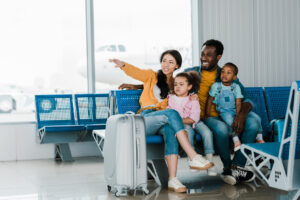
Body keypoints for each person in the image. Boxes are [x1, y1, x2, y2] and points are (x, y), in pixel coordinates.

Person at [109, 49, 213, 193]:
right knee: (172, 113)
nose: (166, 64)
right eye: (164, 61)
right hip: (145, 119)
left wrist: (192, 96)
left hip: (162, 119)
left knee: (170, 131)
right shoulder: (151, 75)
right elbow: (137, 73)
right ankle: (193, 155)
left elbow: (183, 93)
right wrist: (123, 65)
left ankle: (172, 179)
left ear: (176, 66)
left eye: (171, 62)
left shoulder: (175, 84)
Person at [184, 39, 260, 185]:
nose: (203, 58)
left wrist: (241, 116)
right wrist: (140, 85)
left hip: (229, 112)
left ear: (218, 57)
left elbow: (247, 99)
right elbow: (169, 82)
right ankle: (227, 167)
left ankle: (235, 167)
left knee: (253, 123)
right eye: (202, 54)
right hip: (206, 116)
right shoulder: (190, 73)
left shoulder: (225, 73)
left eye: (209, 55)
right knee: (221, 129)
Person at [168, 71, 218, 176]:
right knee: (188, 132)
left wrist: (178, 120)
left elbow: (194, 118)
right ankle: (192, 159)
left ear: (189, 87)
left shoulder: (193, 99)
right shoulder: (171, 99)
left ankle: (209, 161)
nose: (177, 87)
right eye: (176, 84)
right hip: (184, 124)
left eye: (181, 84)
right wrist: (178, 121)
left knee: (207, 133)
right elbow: (170, 113)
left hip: (195, 122)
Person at [206, 62, 264, 152]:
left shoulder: (236, 87)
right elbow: (210, 99)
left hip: (236, 109)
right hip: (225, 111)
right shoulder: (216, 86)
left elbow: (238, 102)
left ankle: (259, 138)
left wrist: (238, 114)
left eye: (228, 73)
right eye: (223, 72)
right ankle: (236, 140)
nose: (224, 75)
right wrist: (207, 113)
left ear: (234, 77)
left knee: (257, 118)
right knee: (231, 122)